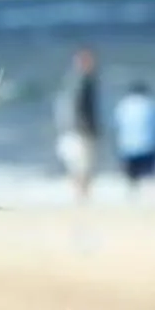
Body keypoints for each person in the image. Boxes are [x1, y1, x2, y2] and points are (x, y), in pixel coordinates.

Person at [55, 47, 102, 202]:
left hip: (70, 129)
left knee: (78, 165)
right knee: (83, 165)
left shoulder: (71, 82)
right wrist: (90, 128)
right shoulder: (83, 83)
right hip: (80, 130)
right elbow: (82, 108)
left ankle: (80, 196)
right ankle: (82, 196)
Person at [110, 80, 155, 194]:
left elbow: (116, 125)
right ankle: (152, 198)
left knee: (132, 178)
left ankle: (133, 198)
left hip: (128, 147)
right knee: (150, 176)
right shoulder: (152, 104)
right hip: (149, 146)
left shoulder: (123, 105)